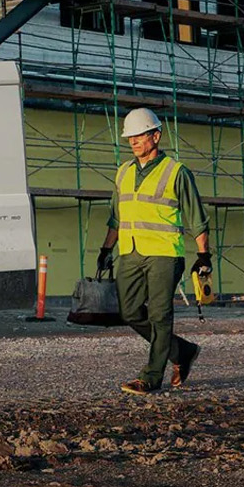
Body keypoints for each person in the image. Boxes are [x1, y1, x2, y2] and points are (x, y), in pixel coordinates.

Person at [97, 108, 207, 396]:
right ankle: (182, 351)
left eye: (139, 135)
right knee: (130, 311)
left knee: (160, 315)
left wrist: (203, 256)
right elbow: (116, 218)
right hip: (130, 252)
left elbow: (196, 217)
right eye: (130, 137)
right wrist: (106, 249)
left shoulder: (176, 172)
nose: (133, 141)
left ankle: (150, 377)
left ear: (155, 135)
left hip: (164, 254)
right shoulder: (123, 173)